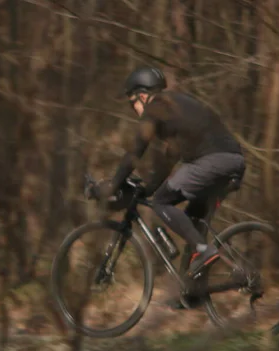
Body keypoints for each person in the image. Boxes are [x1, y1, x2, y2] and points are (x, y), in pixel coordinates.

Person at [94, 65, 247, 309]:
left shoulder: (156, 107)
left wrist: (113, 184)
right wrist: (148, 188)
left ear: (143, 95)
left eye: (132, 102)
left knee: (162, 203)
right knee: (193, 222)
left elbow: (136, 152)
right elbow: (168, 159)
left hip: (214, 161)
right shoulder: (173, 111)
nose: (134, 109)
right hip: (232, 161)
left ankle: (204, 251)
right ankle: (194, 291)